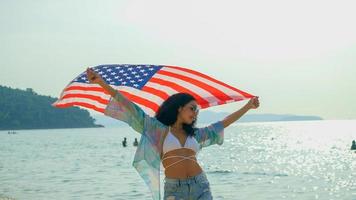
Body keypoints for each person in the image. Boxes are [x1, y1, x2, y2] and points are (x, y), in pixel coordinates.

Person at [86, 68, 260, 200]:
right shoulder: (158, 129)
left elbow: (224, 122)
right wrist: (101, 83)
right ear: (179, 108)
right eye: (192, 108)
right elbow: (130, 108)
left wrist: (248, 106)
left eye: (197, 111)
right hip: (174, 189)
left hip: (201, 185)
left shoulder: (196, 135)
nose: (195, 113)